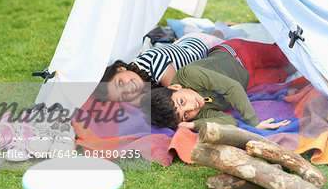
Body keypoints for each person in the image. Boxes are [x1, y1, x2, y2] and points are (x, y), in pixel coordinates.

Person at [140, 40, 295, 132]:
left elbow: (232, 87)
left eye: (182, 102)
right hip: (247, 80)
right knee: (282, 74)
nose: (192, 107)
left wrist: (254, 122)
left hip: (237, 54)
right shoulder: (197, 114)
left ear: (175, 87)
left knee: (281, 55)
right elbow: (229, 121)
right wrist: (192, 124)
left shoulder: (189, 75)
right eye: (185, 115)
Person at [93, 21, 243, 104]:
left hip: (201, 45)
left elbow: (179, 91)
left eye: (119, 83)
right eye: (122, 96)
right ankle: (195, 30)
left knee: (225, 40)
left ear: (120, 69)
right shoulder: (139, 77)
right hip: (182, 45)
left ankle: (218, 29)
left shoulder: (152, 61)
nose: (128, 89)